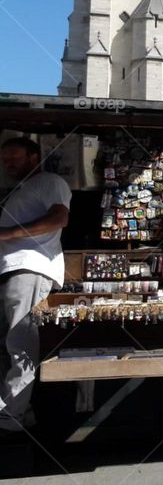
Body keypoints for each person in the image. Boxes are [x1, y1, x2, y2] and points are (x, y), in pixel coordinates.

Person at [0, 137, 72, 433]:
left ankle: (10, 415)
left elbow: (60, 218)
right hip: (13, 272)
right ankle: (19, 411)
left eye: (14, 158)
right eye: (5, 160)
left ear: (34, 156)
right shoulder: (22, 189)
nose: (9, 164)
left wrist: (7, 234)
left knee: (20, 343)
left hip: (29, 270)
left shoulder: (49, 181)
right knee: (9, 344)